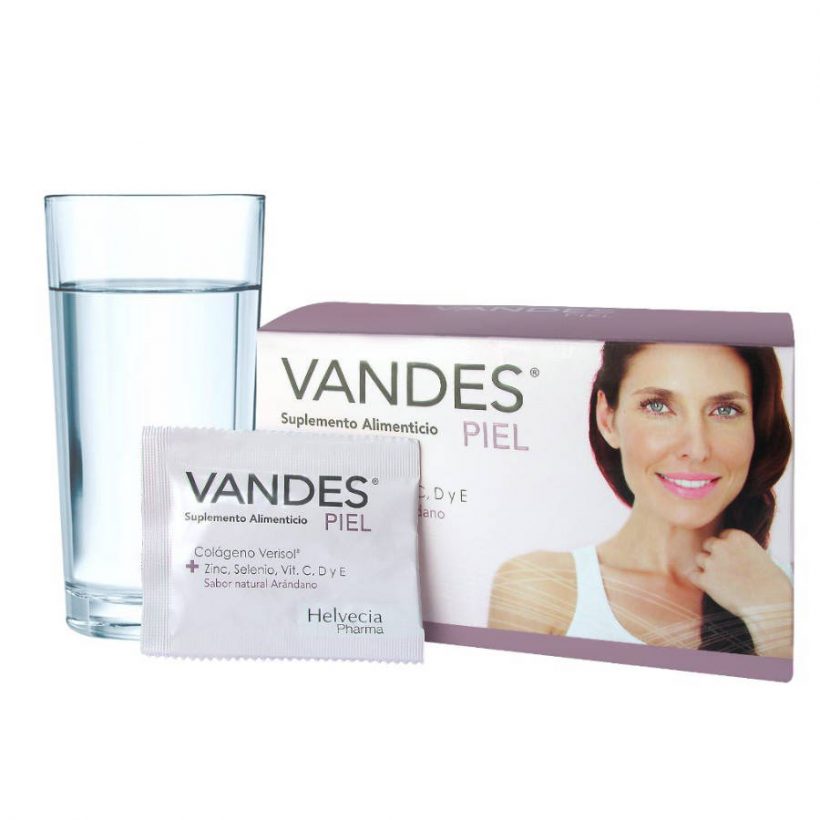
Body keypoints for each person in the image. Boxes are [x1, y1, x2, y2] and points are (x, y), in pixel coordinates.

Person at [488, 342, 793, 657]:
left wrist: (771, 610)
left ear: (757, 427)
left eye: (725, 410)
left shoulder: (793, 593)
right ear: (607, 419)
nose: (697, 449)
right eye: (658, 406)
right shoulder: (540, 588)